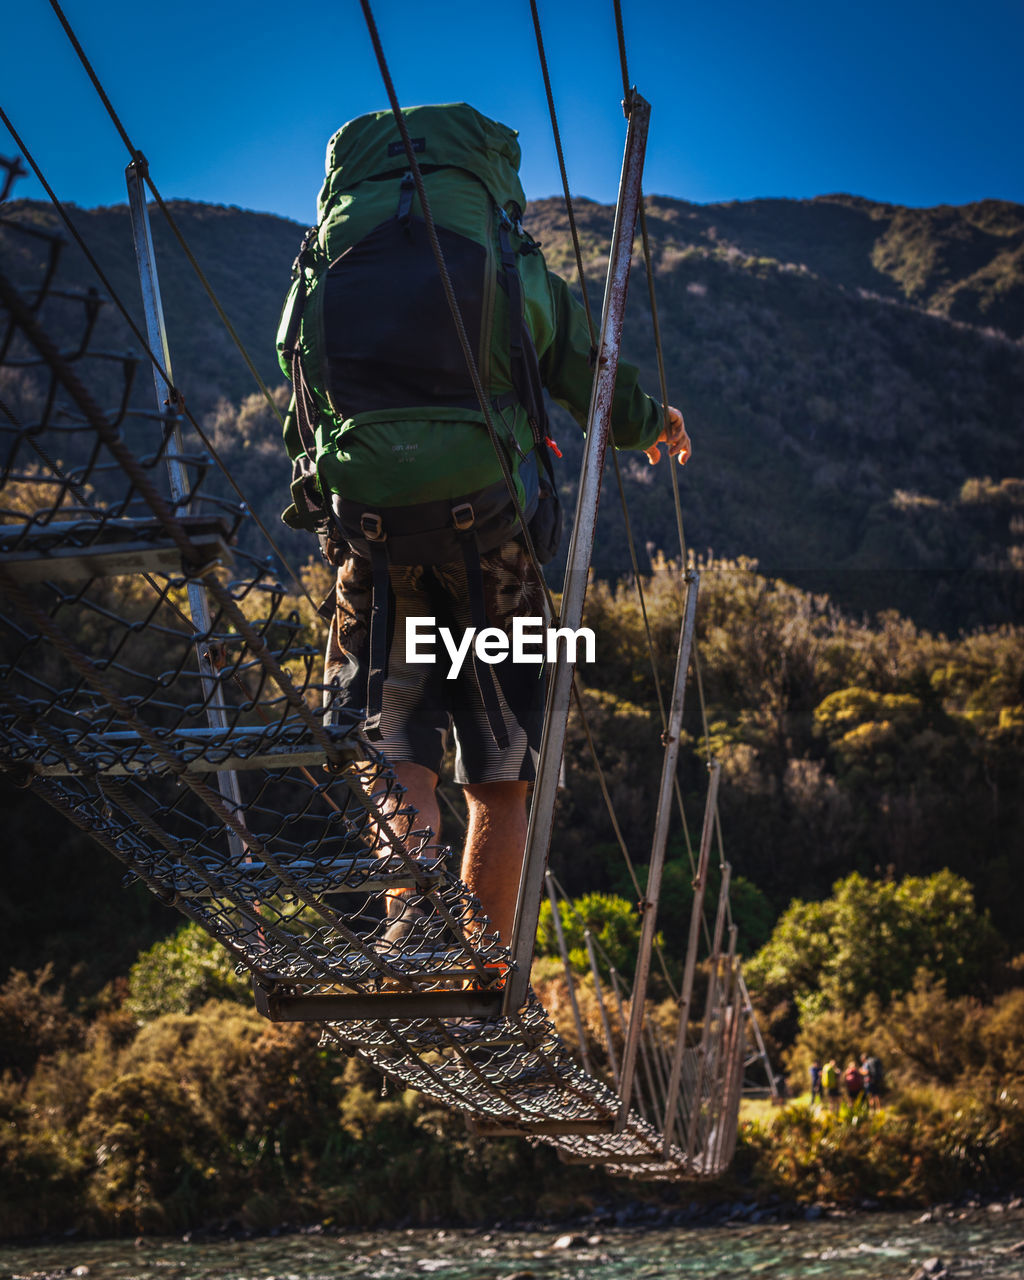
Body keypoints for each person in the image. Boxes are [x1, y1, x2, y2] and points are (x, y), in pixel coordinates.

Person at [282, 103, 690, 954]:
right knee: (501, 773)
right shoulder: (509, 259)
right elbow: (595, 385)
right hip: (489, 541)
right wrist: (657, 424)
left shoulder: (320, 262)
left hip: (373, 541)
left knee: (395, 752)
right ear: (486, 175)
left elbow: (302, 404)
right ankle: (477, 969)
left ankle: (409, 932)